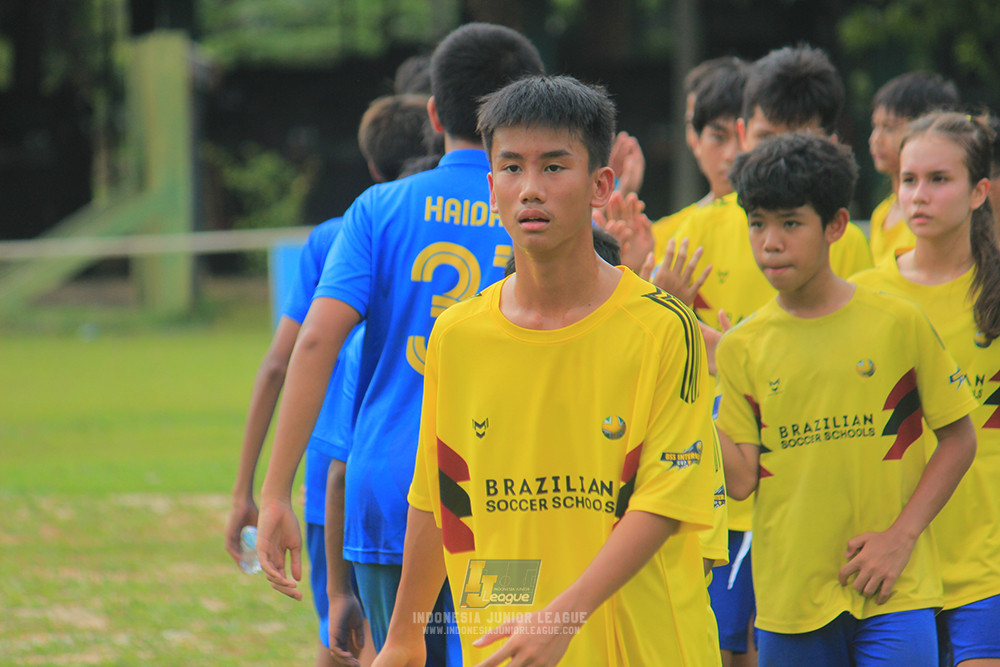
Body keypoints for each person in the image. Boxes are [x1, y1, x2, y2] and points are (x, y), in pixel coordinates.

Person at [374, 73, 719, 667]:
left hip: (645, 646)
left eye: (554, 167)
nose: (530, 189)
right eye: (512, 168)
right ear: (491, 187)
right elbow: (439, 494)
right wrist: (404, 638)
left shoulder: (664, 327)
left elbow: (665, 501)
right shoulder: (457, 335)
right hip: (508, 646)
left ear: (600, 186)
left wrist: (562, 618)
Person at [255, 21, 545, 664]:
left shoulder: (378, 209)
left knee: (404, 653)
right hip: (506, 494)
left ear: (434, 114)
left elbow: (313, 344)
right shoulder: (543, 209)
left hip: (389, 488)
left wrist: (275, 492)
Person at [715, 132, 978, 666]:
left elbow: (959, 439)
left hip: (896, 592)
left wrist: (902, 537)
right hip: (790, 602)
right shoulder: (742, 346)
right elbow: (740, 482)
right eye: (757, 224)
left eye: (791, 223)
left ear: (836, 225)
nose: (770, 243)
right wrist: (697, 385)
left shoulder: (897, 322)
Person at [225, 87, 437, 666]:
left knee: (345, 635)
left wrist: (249, 490)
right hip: (422, 471)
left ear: (371, 163)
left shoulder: (335, 234)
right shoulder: (487, 217)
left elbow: (282, 360)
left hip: (340, 475)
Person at [852, 111, 1000, 667]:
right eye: (908, 179)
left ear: (979, 192)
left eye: (940, 179)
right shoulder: (863, 295)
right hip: (886, 567)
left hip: (987, 565)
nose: (919, 194)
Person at [650, 56, 747, 263]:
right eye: (718, 136)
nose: (731, 155)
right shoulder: (661, 237)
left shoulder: (784, 233)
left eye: (742, 135)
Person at [867, 72, 960, 266]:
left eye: (889, 128)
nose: (875, 139)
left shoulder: (935, 213)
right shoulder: (881, 214)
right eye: (875, 126)